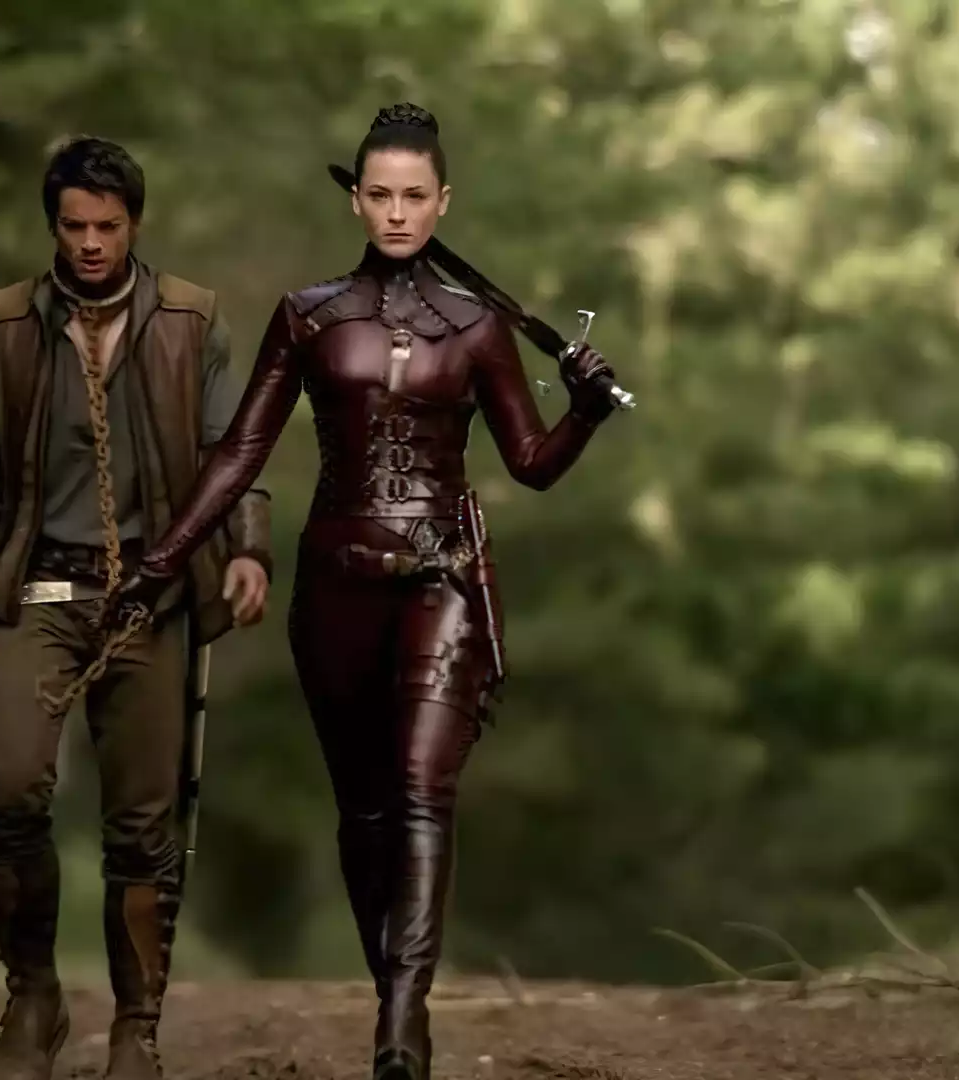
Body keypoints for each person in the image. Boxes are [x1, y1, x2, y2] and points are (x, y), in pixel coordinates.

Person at [117, 103, 618, 1080]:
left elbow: (530, 464)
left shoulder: (478, 326)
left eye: (413, 197)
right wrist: (162, 561)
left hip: (444, 578)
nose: (396, 214)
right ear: (356, 199)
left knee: (424, 789)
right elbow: (240, 452)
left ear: (443, 202)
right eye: (379, 195)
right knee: (365, 812)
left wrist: (586, 414)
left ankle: (402, 1020)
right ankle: (392, 988)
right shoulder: (308, 315)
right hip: (337, 582)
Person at [0, 135, 274, 1080]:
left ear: (135, 225)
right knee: (9, 789)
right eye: (73, 225)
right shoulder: (3, 327)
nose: (89, 243)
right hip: (36, 591)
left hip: (149, 598)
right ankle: (32, 999)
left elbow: (233, 454)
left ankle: (136, 1028)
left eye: (107, 227)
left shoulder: (192, 320)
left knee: (142, 824)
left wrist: (249, 549)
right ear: (53, 225)